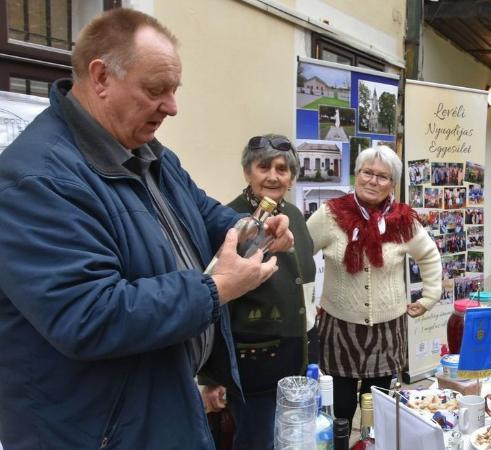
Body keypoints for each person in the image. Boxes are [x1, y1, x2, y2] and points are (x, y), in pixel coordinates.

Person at [0, 9, 294, 449]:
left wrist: (253, 228)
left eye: (174, 90)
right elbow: (89, 315)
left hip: (158, 409)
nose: (172, 108)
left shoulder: (147, 151)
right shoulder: (35, 180)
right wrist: (215, 290)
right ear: (100, 78)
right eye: (156, 90)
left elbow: (201, 214)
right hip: (97, 432)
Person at [306, 145, 442, 429]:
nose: (373, 181)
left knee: (378, 406)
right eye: (367, 172)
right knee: (340, 407)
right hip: (339, 326)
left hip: (387, 329)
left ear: (393, 184)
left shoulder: (404, 221)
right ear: (356, 174)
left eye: (383, 176)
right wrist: (307, 304)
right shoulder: (330, 215)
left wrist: (429, 297)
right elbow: (299, 256)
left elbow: (429, 255)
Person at [200, 134, 316, 450]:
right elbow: (211, 299)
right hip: (253, 366)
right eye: (263, 166)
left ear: (292, 178)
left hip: (297, 360)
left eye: (282, 168)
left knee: (292, 441)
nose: (273, 176)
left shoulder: (294, 216)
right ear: (247, 172)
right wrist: (209, 377)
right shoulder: (228, 222)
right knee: (257, 442)